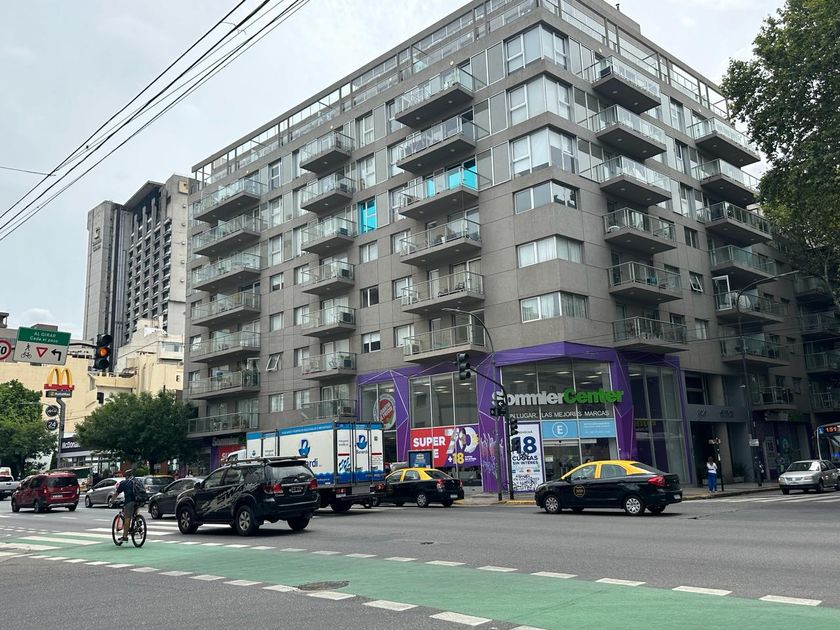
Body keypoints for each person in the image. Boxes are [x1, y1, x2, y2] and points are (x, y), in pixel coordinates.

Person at [115, 469, 137, 542]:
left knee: (127, 518)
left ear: (126, 476)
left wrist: (112, 500)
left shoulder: (124, 483)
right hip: (139, 500)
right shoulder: (137, 481)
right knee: (135, 512)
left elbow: (117, 493)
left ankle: (125, 537)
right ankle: (138, 522)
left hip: (129, 501)